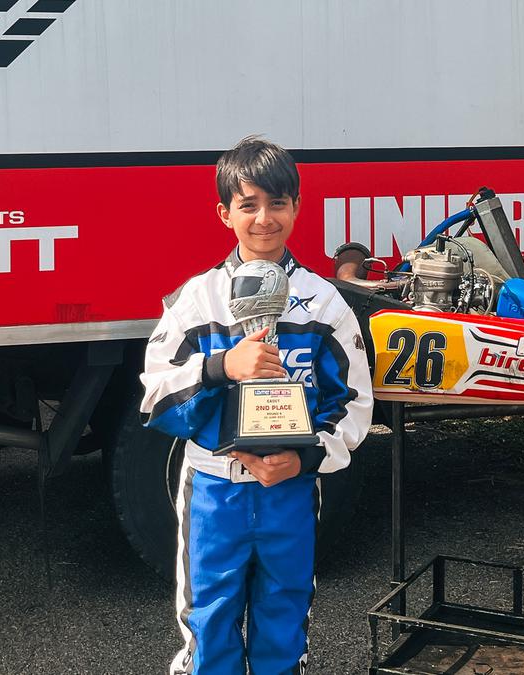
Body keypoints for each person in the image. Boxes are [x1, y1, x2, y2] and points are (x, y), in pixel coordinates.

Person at [139, 136, 373, 674]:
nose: (264, 219)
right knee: (210, 625)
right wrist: (223, 367)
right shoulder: (198, 299)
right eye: (248, 205)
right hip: (214, 490)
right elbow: (155, 393)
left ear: (296, 207)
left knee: (283, 622)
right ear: (224, 214)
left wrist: (306, 458)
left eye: (277, 203)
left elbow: (355, 403)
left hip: (289, 488)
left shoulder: (324, 302)